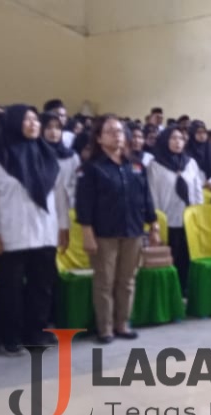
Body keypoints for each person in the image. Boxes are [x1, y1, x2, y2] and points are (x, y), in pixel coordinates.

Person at [0, 104, 70, 354]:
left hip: (45, 232)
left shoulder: (47, 154)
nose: (33, 124)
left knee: (42, 287)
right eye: (27, 120)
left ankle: (36, 333)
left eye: (35, 120)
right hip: (10, 236)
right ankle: (10, 336)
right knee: (11, 290)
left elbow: (59, 196)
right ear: (13, 122)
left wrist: (63, 226)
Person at [76, 114, 160, 344]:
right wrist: (87, 233)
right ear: (99, 138)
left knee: (127, 280)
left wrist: (153, 224)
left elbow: (146, 197)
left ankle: (123, 323)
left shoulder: (136, 166)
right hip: (104, 234)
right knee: (104, 282)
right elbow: (84, 204)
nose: (117, 135)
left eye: (120, 131)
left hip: (133, 230)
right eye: (110, 131)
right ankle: (105, 328)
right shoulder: (91, 168)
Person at [148, 127, 203, 292]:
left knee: (187, 254)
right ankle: (169, 291)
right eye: (173, 138)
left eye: (180, 138)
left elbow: (197, 190)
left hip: (188, 218)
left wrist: (197, 214)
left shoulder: (190, 163)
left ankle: (184, 288)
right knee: (170, 255)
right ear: (165, 140)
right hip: (167, 218)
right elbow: (152, 194)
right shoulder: (155, 165)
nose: (177, 142)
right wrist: (156, 221)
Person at [41, 113, 80, 209]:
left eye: (58, 128)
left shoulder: (71, 156)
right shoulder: (35, 155)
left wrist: (68, 194)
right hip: (41, 205)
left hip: (66, 205)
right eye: (48, 127)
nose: (53, 131)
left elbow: (77, 181)